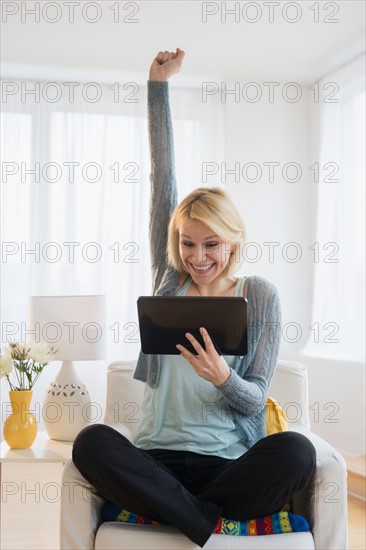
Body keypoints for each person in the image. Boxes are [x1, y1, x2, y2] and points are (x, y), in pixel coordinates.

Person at [72, 49, 316, 548]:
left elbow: (254, 401)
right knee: (90, 441)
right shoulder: (169, 277)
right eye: (188, 243)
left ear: (233, 241)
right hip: (157, 458)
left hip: (228, 466)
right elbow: (163, 177)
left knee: (297, 452)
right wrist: (157, 86)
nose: (198, 257)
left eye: (212, 245)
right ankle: (208, 522)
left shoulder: (260, 296)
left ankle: (180, 513)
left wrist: (223, 376)